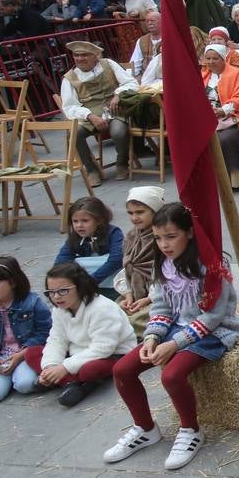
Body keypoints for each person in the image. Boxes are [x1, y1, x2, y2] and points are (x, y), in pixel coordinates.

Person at [105, 203, 239, 470]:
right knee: (122, 369)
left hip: (212, 331)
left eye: (171, 237)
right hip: (175, 328)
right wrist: (151, 338)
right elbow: (161, 308)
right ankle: (146, 428)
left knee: (171, 375)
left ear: (190, 233)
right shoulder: (164, 266)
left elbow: (213, 316)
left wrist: (174, 344)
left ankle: (191, 430)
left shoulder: (212, 266)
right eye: (158, 238)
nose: (164, 245)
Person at [32, 263, 136, 407]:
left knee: (90, 370)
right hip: (78, 353)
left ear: (80, 287)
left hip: (112, 354)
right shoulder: (59, 309)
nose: (56, 297)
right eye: (51, 292)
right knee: (31, 353)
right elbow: (56, 339)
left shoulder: (102, 308)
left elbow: (103, 348)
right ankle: (66, 381)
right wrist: (50, 366)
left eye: (63, 291)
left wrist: (65, 368)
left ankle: (69, 381)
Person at [0, 257, 51, 404]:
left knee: (25, 384)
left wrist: (21, 354)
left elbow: (45, 332)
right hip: (1, 357)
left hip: (27, 354)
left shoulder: (32, 303)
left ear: (13, 282)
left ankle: (14, 379)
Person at [61, 40, 138, 185]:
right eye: (76, 55)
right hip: (89, 115)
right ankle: (91, 170)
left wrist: (118, 95)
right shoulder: (69, 78)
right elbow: (69, 107)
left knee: (118, 132)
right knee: (74, 132)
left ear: (95, 56)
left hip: (114, 111)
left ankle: (122, 163)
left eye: (84, 55)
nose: (79, 58)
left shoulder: (108, 64)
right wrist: (90, 116)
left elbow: (131, 82)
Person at [200, 44, 239, 190]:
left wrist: (223, 110)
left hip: (233, 116)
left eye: (215, 58)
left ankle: (234, 180)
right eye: (208, 59)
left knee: (225, 139)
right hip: (208, 118)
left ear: (223, 58)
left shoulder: (236, 74)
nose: (211, 62)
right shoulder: (203, 75)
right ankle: (207, 181)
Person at [114, 187, 163, 339]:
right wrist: (128, 295)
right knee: (110, 314)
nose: (134, 217)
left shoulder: (161, 238)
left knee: (135, 321)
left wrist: (148, 299)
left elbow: (164, 275)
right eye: (130, 213)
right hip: (134, 294)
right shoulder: (131, 236)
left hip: (157, 296)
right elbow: (127, 270)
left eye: (140, 212)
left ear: (155, 211)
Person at [54, 195, 124, 299]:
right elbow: (62, 259)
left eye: (85, 221)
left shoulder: (113, 233)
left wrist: (91, 281)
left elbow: (116, 259)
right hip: (85, 284)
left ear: (99, 220)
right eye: (75, 221)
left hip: (110, 283)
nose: (79, 225)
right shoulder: (75, 237)